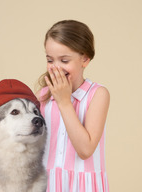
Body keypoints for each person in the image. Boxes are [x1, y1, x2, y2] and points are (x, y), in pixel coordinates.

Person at [36, 20, 110, 192]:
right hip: (47, 184)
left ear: (84, 59)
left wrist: (64, 102)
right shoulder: (42, 97)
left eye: (64, 60)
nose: (56, 67)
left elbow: (85, 149)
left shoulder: (97, 95)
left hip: (85, 186)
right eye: (50, 60)